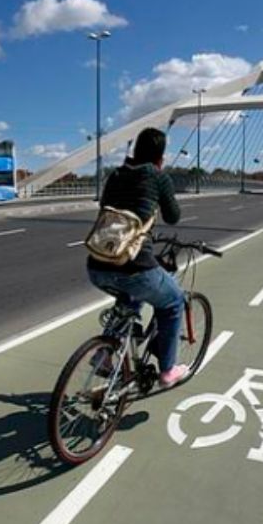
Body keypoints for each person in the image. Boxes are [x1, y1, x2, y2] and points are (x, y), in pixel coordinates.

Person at [87, 127, 188, 387]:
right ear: (160, 157)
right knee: (174, 301)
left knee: (129, 298)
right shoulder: (158, 175)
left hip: (98, 265)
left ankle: (104, 353)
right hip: (134, 266)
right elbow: (173, 216)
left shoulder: (115, 175)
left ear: (134, 151)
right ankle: (167, 371)